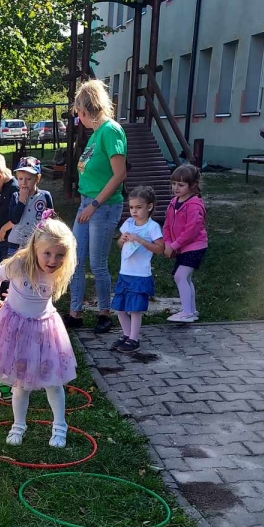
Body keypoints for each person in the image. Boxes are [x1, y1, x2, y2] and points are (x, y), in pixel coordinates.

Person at [0, 217, 78, 448]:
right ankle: (18, 425)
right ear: (35, 248)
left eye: (60, 255)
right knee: (20, 383)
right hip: (17, 330)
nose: (53, 260)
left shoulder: (57, 272)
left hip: (44, 331)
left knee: (54, 381)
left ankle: (60, 426)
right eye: (47, 254)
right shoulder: (19, 265)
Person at [66, 79, 127, 334]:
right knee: (75, 260)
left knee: (97, 263)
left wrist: (94, 204)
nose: (78, 118)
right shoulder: (95, 135)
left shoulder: (111, 131)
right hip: (87, 204)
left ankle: (104, 313)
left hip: (103, 206)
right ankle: (75, 313)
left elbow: (119, 174)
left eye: (79, 112)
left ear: (87, 109)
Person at [110, 186, 164, 352]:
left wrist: (141, 240)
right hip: (124, 273)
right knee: (119, 307)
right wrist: (122, 240)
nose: (134, 211)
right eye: (131, 207)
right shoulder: (128, 223)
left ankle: (134, 339)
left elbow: (160, 249)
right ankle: (126, 334)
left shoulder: (152, 227)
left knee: (134, 309)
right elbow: (119, 245)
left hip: (140, 274)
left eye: (139, 207)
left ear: (149, 206)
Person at [163, 163, 207, 323]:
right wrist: (168, 243)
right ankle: (192, 311)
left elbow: (192, 231)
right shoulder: (173, 202)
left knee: (180, 276)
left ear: (192, 185)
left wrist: (174, 245)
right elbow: (167, 225)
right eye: (174, 183)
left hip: (195, 247)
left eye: (181, 185)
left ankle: (187, 312)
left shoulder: (194, 205)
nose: (176, 188)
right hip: (182, 247)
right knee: (186, 278)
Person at [0, 157, 54, 253]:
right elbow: (14, 219)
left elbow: (50, 219)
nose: (24, 183)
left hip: (37, 243)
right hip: (16, 244)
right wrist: (21, 201)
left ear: (37, 178)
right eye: (20, 179)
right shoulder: (15, 196)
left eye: (29, 179)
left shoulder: (45, 196)